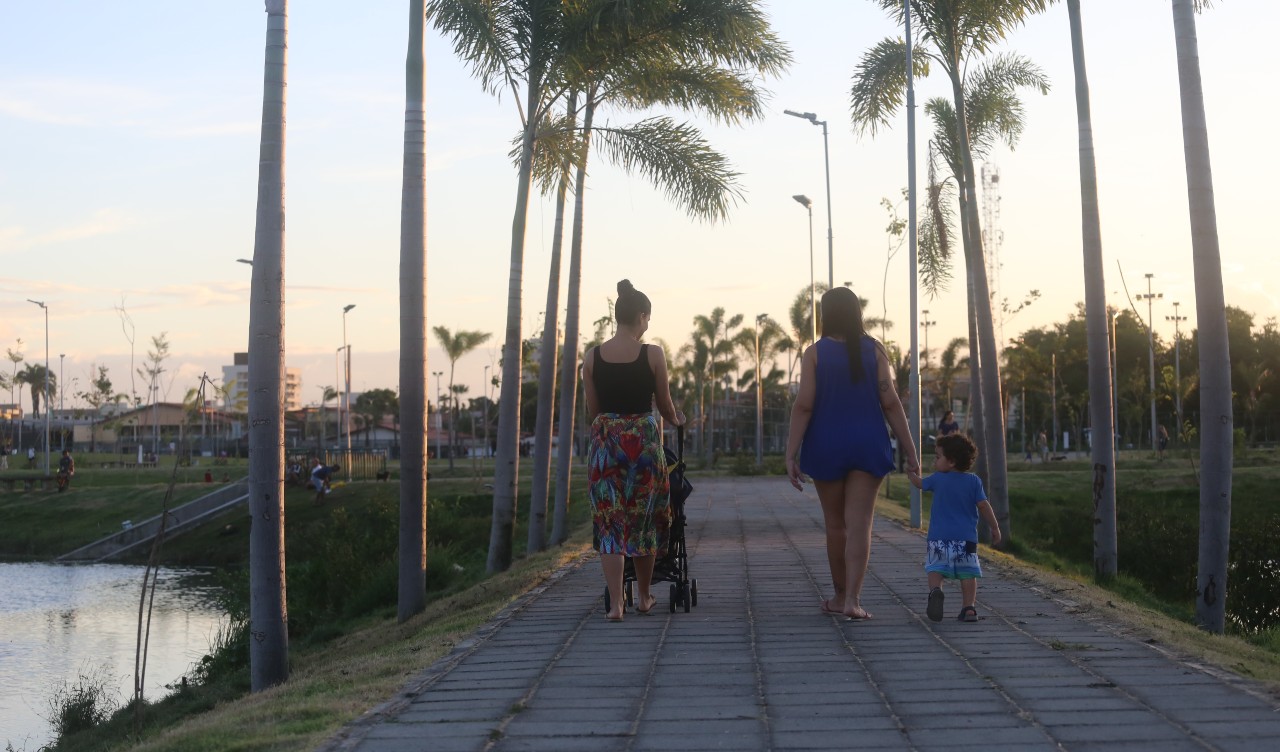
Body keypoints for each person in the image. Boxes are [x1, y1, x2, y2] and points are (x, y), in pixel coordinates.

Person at [785, 287, 919, 620]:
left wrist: (790, 454)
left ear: (825, 315)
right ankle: (853, 601)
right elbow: (890, 402)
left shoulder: (814, 353)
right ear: (857, 313)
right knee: (860, 525)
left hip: (826, 444)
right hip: (867, 443)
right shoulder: (875, 350)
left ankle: (839, 595)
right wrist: (911, 451)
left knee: (835, 526)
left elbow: (804, 406)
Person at [583, 279, 684, 622]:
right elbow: (665, 406)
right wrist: (677, 419)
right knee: (645, 518)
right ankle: (643, 597)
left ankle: (616, 604)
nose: (647, 326)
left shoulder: (592, 358)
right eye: (648, 319)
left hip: (606, 443)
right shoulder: (653, 354)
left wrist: (612, 425)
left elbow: (593, 411)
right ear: (641, 316)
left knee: (610, 521)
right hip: (642, 442)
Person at [907, 433, 1000, 622]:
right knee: (968, 573)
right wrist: (994, 527)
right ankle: (969, 608)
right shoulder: (974, 481)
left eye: (938, 457)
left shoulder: (938, 479)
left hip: (938, 538)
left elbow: (919, 483)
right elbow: (983, 505)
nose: (935, 461)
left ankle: (935, 591)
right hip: (966, 539)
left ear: (951, 462)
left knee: (935, 568)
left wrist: (911, 473)